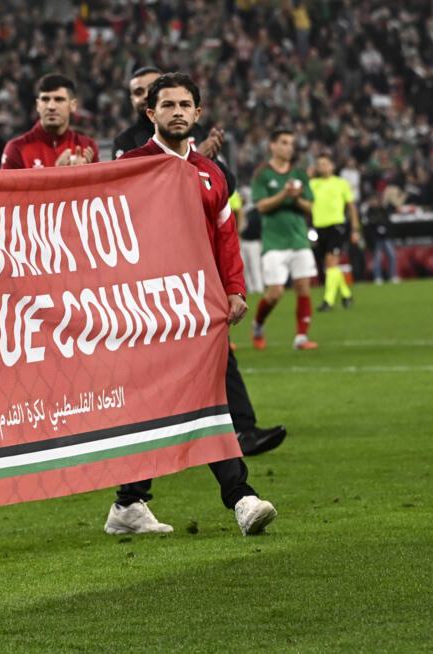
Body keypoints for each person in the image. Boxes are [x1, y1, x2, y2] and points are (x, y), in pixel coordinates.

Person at [104, 73, 278, 537]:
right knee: (172, 405)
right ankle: (234, 497)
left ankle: (139, 503)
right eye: (168, 105)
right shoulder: (132, 166)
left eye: (185, 105)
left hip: (198, 310)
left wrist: (235, 288)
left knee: (203, 401)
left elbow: (225, 235)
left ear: (197, 114)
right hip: (147, 309)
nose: (177, 111)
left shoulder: (211, 172)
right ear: (150, 114)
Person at [250, 129, 318, 350]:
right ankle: (258, 324)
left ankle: (301, 338)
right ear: (272, 145)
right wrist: (284, 195)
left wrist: (297, 198)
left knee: (303, 287)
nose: (289, 147)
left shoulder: (299, 174)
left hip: (299, 238)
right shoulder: (262, 174)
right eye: (284, 142)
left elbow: (310, 207)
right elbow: (261, 206)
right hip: (274, 242)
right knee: (275, 293)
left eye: (291, 143)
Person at [112, 66, 228, 181]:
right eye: (139, 92)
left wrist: (210, 161)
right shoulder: (125, 143)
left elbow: (226, 185)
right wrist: (198, 161)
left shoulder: (195, 130)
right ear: (132, 100)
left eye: (152, 88)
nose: (146, 95)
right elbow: (133, 190)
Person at [1, 73, 99, 169]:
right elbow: (9, 186)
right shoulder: (16, 149)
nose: (51, 107)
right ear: (38, 105)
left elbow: (98, 185)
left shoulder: (87, 147)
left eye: (59, 100)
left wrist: (83, 175)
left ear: (73, 105)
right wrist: (58, 176)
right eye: (45, 99)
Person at [309, 152, 359, 311]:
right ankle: (346, 294)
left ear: (332, 166)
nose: (322, 167)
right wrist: (308, 177)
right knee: (329, 264)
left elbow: (351, 206)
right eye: (320, 164)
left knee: (331, 261)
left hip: (337, 226)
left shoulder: (341, 183)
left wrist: (355, 228)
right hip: (320, 227)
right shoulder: (313, 184)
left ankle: (328, 301)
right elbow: (303, 198)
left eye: (325, 164)